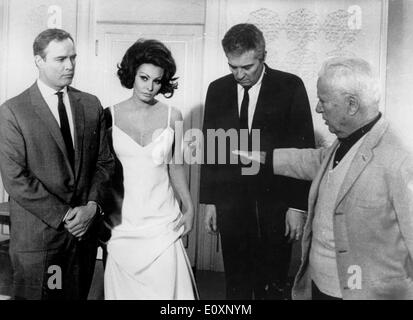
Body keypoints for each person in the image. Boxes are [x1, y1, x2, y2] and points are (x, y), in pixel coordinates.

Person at [238, 56, 413, 299]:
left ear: (351, 105)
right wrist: (257, 156)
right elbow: (313, 161)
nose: (318, 109)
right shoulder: (348, 140)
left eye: (323, 101)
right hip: (321, 287)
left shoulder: (401, 159)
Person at [200, 23, 315, 299]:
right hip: (231, 203)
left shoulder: (290, 86)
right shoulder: (217, 90)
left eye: (247, 67)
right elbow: (211, 149)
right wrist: (210, 201)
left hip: (276, 204)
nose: (239, 75)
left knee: (273, 283)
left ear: (263, 56)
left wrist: (297, 207)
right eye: (233, 67)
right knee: (236, 284)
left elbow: (303, 150)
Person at [0, 28, 115, 300]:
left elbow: (105, 162)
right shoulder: (13, 111)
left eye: (73, 58)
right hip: (40, 243)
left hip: (83, 241)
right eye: (61, 59)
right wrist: (65, 216)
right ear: (38, 61)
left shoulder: (90, 104)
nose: (70, 66)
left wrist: (91, 207)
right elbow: (16, 178)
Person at [103, 39, 198, 300]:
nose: (150, 87)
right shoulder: (108, 116)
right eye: (144, 78)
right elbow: (103, 173)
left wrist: (189, 207)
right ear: (132, 74)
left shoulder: (173, 116)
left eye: (157, 81)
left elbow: (176, 165)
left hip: (163, 222)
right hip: (124, 224)